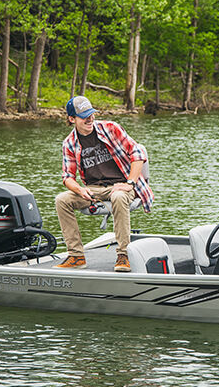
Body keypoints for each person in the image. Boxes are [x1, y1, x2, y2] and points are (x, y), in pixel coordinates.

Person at [54, 96, 154, 272]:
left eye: (91, 114)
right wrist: (79, 190)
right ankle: (76, 256)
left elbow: (137, 152)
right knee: (62, 200)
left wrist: (130, 182)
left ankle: (124, 255)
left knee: (118, 195)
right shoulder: (69, 143)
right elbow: (67, 177)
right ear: (72, 119)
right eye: (84, 116)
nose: (90, 118)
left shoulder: (110, 128)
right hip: (94, 189)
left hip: (121, 185)